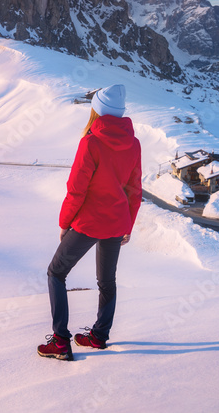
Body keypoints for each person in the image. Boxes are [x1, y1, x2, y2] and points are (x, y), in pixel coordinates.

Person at [37, 84, 142, 361]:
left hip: (88, 223)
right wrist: (127, 226)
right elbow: (135, 190)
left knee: (56, 273)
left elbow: (76, 189)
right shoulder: (134, 143)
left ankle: (60, 341)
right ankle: (98, 336)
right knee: (107, 281)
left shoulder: (91, 141)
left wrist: (64, 222)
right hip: (116, 222)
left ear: (97, 110)